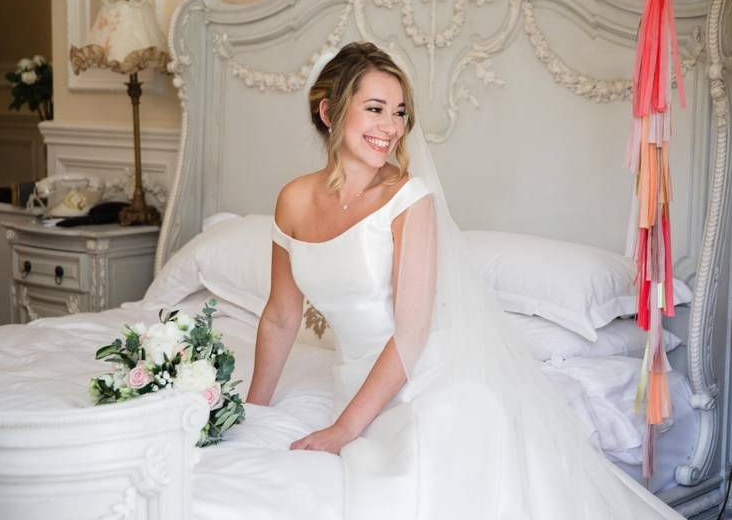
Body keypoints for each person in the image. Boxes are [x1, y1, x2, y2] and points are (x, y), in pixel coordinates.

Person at [247, 42, 682, 519]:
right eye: (374, 109)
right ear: (329, 111)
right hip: (352, 379)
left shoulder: (410, 200)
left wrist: (344, 430)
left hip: (432, 387)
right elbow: (281, 316)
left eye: (399, 113)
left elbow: (411, 336)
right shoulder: (293, 199)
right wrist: (254, 412)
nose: (390, 127)